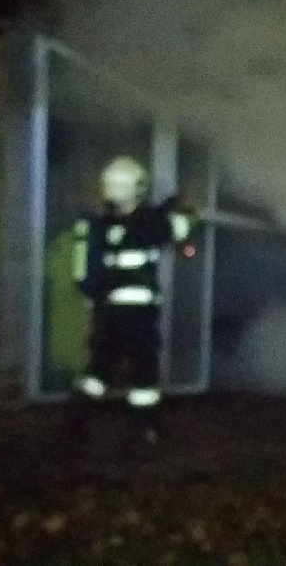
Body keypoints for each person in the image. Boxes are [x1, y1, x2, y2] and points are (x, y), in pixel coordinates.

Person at [71, 155, 193, 444]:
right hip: (138, 314)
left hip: (107, 311)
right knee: (144, 372)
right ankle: (144, 430)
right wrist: (182, 207)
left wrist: (166, 207)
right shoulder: (149, 222)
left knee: (99, 370)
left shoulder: (104, 223)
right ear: (137, 187)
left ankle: (74, 423)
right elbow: (181, 230)